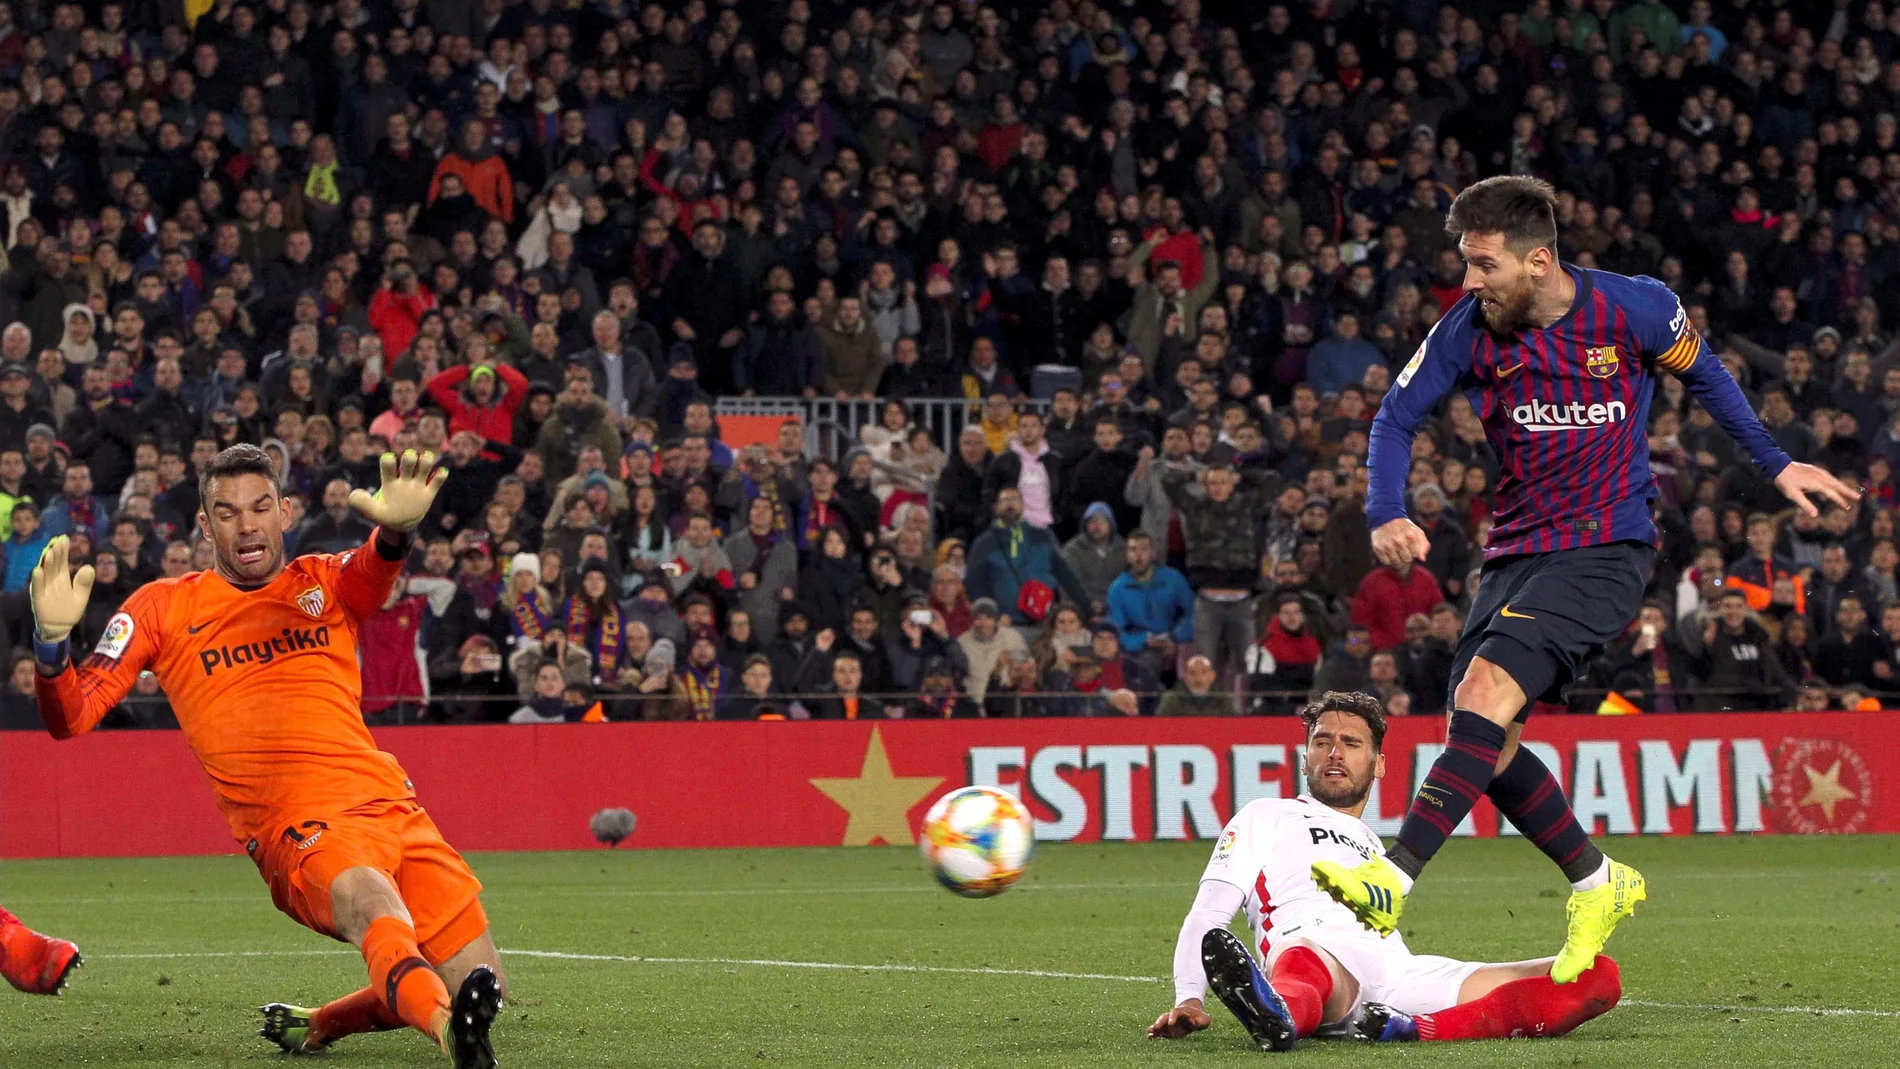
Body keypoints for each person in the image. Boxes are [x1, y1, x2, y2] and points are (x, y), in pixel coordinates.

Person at [1320, 175, 1858, 981]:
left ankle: (1391, 878)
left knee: (1487, 691)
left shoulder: (1635, 310)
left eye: (1483, 265)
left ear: (1538, 261)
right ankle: (1599, 880)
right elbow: (1395, 415)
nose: (1468, 283)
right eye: (1465, 264)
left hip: (1609, 546)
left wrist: (1775, 463)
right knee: (1485, 739)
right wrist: (1384, 509)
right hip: (1514, 552)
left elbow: (1707, 374)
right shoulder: (1467, 330)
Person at [27, 445, 502, 1065]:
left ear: (284, 511)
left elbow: (372, 573)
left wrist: (397, 530)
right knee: (373, 905)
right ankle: (449, 1035)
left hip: (389, 803)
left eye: (258, 508)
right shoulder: (163, 607)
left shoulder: (322, 582)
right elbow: (72, 716)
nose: (246, 525)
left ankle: (322, 1025)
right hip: (300, 827)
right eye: (226, 513)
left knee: (482, 985)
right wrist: (50, 647)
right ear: (204, 526)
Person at [1149, 692, 1621, 1051]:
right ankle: (1279, 1014)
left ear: (1378, 765)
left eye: (1350, 743)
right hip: (1312, 952)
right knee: (1307, 963)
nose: (1334, 753)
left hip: (1398, 977)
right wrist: (1191, 996)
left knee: (1595, 976)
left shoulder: (1380, 848)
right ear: (1306, 756)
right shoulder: (1265, 814)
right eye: (1323, 742)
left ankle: (1412, 1029)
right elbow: (1208, 916)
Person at [965, 487, 1088, 626]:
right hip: (1005, 625)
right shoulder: (984, 543)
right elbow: (974, 584)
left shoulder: (1043, 536)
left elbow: (1065, 574)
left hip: (1044, 621)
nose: (1010, 504)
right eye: (1005, 500)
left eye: (1015, 499)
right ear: (996, 508)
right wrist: (992, 616)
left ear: (1023, 505)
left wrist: (1085, 607)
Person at [1155, 655, 1232, 716]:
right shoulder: (1171, 699)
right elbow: (1160, 727)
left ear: (1212, 676)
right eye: (1192, 673)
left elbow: (1235, 727)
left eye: (1203, 672)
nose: (1198, 678)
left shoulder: (1224, 698)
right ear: (1185, 677)